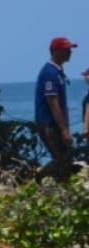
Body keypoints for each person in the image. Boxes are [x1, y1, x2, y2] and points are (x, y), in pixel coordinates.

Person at [36, 37, 77, 182]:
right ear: (56, 51)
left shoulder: (58, 72)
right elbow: (53, 103)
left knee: (66, 158)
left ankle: (61, 186)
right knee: (61, 159)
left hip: (55, 124)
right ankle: (37, 178)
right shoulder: (49, 73)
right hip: (49, 124)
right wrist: (64, 130)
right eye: (66, 49)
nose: (69, 52)